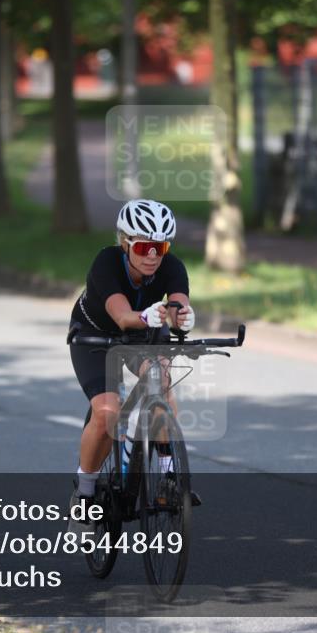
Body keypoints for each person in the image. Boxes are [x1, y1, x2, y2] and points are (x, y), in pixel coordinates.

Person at [66, 200, 196, 534]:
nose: (153, 255)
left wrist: (182, 318)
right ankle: (84, 493)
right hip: (96, 335)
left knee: (162, 383)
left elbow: (178, 306)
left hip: (145, 332)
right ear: (126, 244)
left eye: (160, 247)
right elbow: (123, 316)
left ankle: (169, 476)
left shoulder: (171, 266)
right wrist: (145, 316)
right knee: (108, 412)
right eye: (143, 247)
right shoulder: (106, 263)